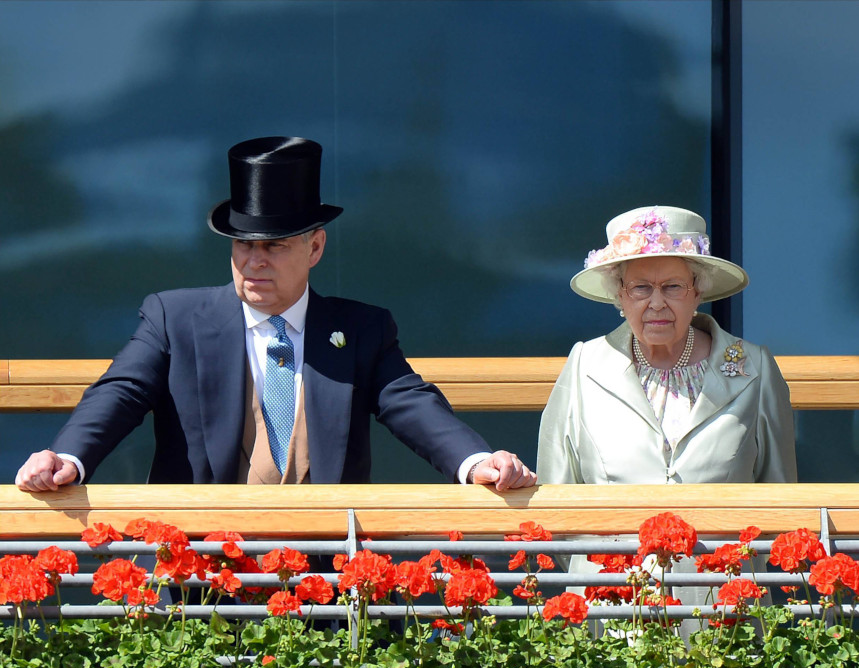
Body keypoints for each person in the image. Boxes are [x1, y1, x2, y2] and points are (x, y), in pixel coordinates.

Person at [16, 136, 535, 493]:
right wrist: (69, 459)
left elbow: (410, 404)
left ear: (315, 248)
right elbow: (120, 392)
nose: (254, 260)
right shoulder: (173, 318)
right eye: (243, 244)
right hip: (202, 582)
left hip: (327, 583)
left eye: (275, 246)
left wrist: (475, 463)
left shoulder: (361, 329)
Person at [536, 205, 797, 617]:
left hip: (723, 610)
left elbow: (781, 497)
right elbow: (556, 493)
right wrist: (597, 574)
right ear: (619, 296)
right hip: (610, 606)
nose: (657, 303)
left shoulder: (753, 367)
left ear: (698, 291)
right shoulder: (585, 364)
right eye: (640, 288)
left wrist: (740, 578)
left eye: (672, 286)